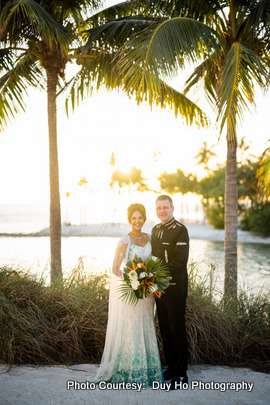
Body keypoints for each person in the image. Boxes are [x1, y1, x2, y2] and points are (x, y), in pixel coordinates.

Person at [89, 203, 163, 386]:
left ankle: (148, 369)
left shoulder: (150, 238)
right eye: (134, 218)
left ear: (144, 219)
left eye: (140, 217)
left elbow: (155, 263)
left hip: (147, 294)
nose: (137, 221)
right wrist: (134, 281)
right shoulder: (123, 241)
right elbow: (115, 268)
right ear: (129, 219)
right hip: (131, 294)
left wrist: (149, 281)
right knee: (131, 329)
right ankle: (128, 370)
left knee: (146, 327)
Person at [151, 195, 189, 390]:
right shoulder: (155, 229)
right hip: (159, 288)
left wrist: (157, 274)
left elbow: (180, 261)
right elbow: (153, 257)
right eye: (159, 208)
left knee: (177, 329)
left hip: (175, 288)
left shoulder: (180, 230)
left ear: (172, 208)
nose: (162, 211)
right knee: (165, 329)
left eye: (165, 208)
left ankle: (182, 373)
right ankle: (171, 368)